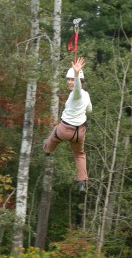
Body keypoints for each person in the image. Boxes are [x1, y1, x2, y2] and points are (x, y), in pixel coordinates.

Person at [43, 57, 92, 192]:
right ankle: (82, 182)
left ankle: (47, 150)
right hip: (79, 132)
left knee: (53, 137)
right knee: (79, 154)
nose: (70, 82)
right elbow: (89, 109)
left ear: (79, 81)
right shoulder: (86, 95)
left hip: (64, 129)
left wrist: (76, 73)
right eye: (68, 79)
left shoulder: (76, 94)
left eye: (72, 79)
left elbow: (76, 88)